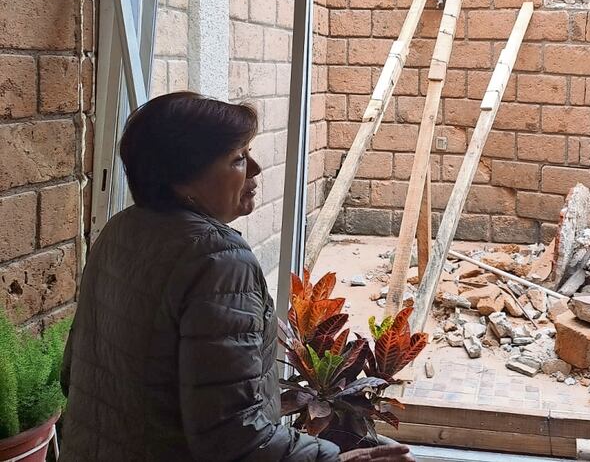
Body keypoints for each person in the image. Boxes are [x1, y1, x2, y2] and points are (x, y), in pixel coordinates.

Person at [61, 92, 413, 462]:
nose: (256, 169)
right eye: (239, 158)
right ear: (183, 182)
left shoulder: (120, 230)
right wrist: (331, 459)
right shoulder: (217, 260)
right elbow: (231, 434)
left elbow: (75, 374)